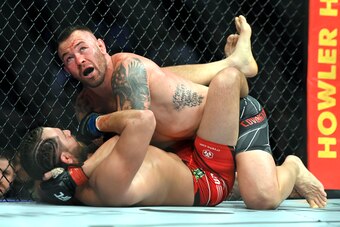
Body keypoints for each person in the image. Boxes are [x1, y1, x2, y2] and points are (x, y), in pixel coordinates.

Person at [55, 15, 327, 209]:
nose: (80, 60)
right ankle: (234, 61)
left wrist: (78, 171)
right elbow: (100, 154)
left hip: (227, 115)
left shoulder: (128, 70)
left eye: (83, 49)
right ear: (67, 69)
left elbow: (135, 130)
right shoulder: (85, 104)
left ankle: (292, 167)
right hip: (185, 143)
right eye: (69, 59)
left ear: (101, 46)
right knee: (162, 77)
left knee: (262, 198)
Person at [19, 65, 246, 206]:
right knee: (228, 78)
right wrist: (97, 122)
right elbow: (142, 120)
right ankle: (282, 163)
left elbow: (116, 141)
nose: (68, 131)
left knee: (151, 78)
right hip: (206, 176)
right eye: (63, 135)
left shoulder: (71, 180)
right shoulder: (103, 182)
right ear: (66, 160)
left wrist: (65, 179)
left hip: (179, 152)